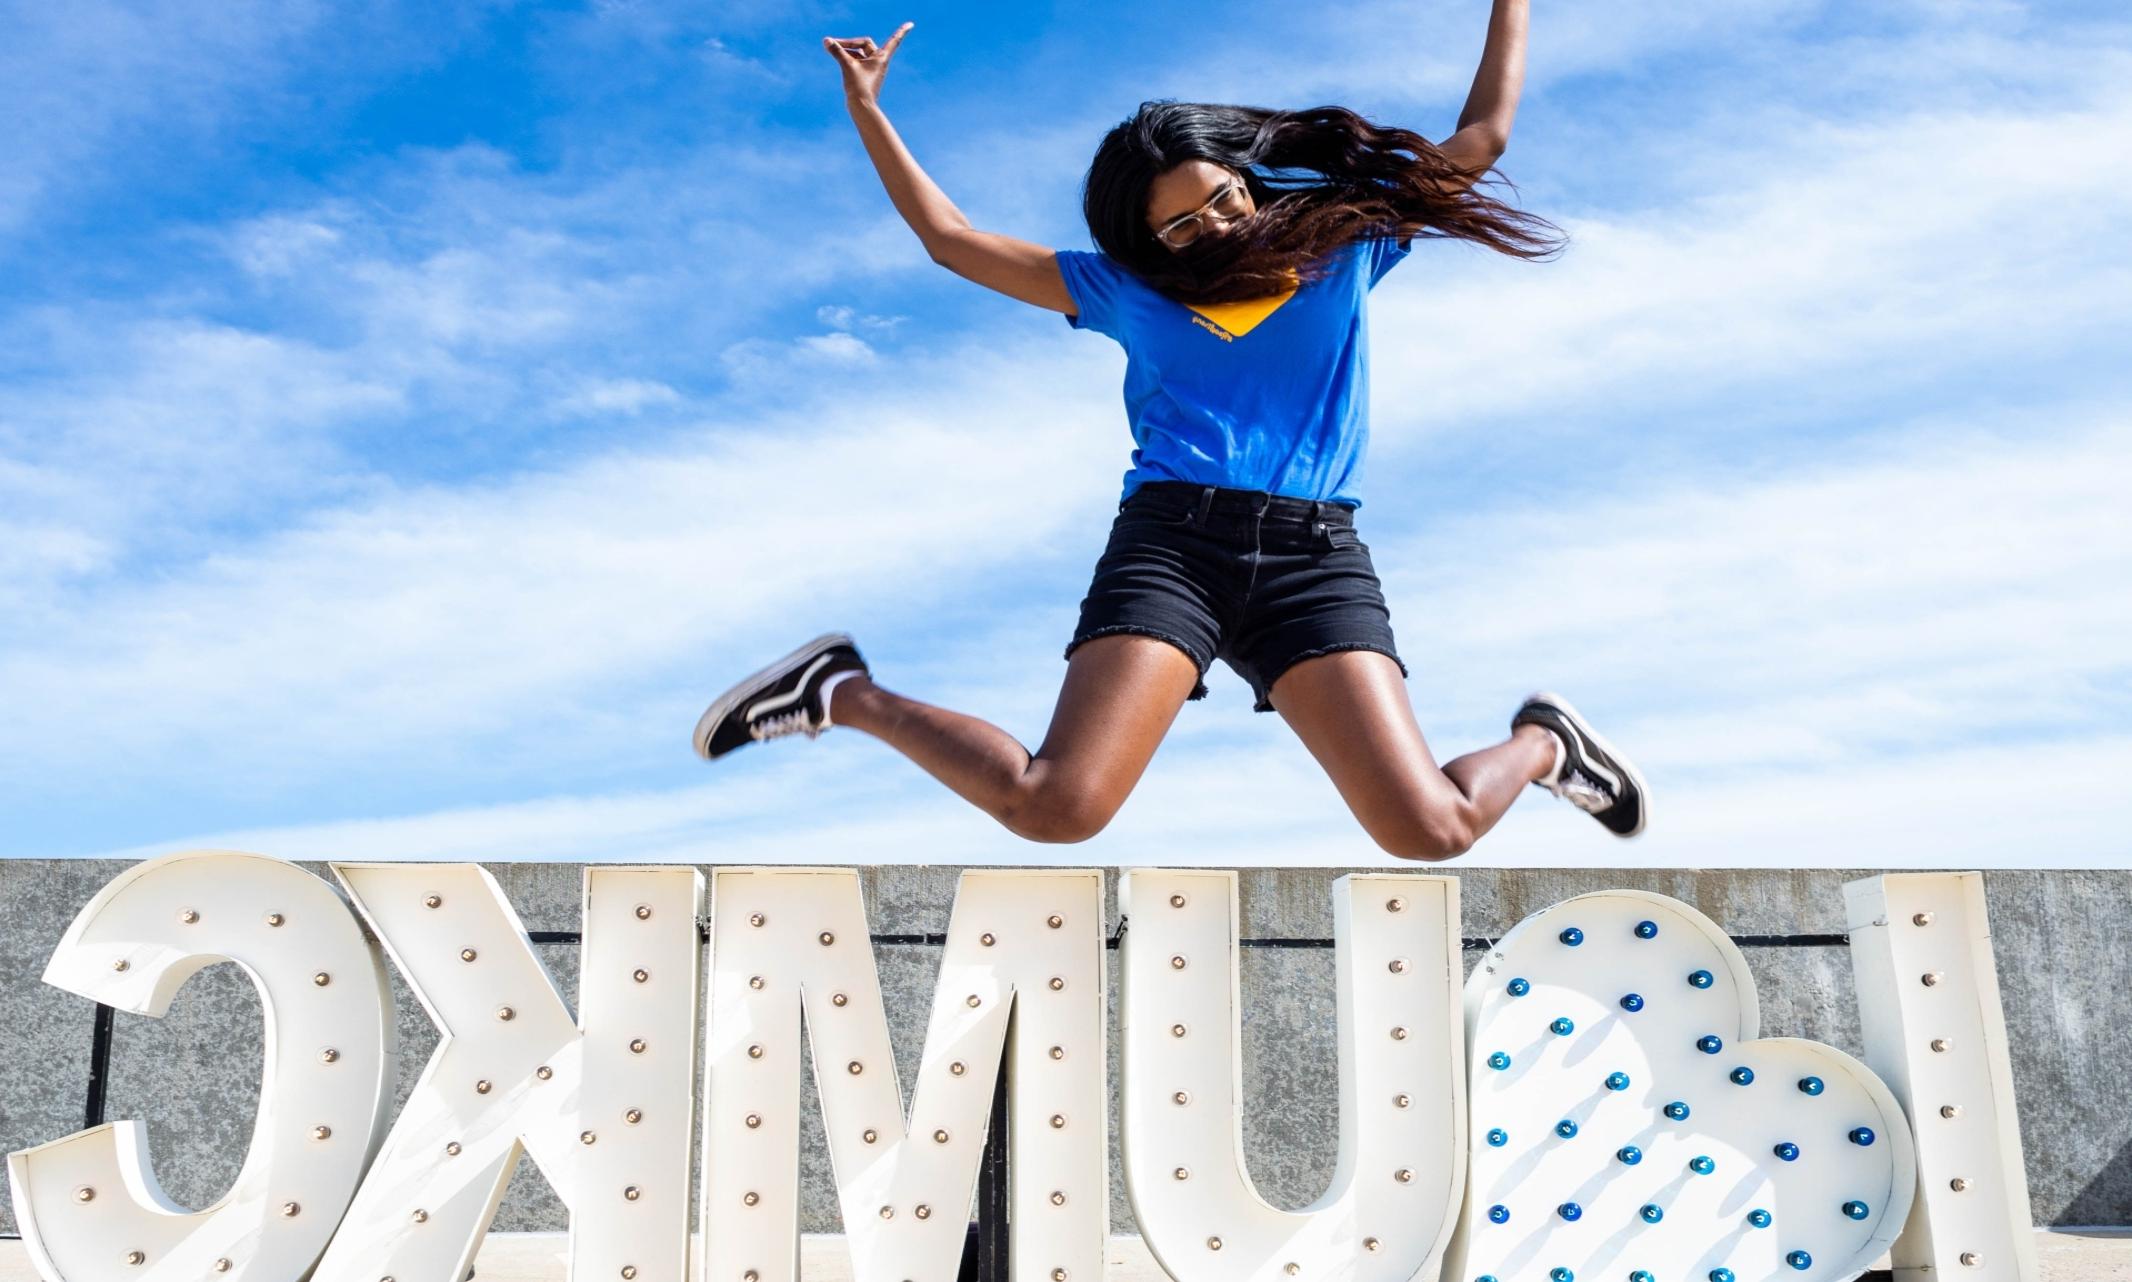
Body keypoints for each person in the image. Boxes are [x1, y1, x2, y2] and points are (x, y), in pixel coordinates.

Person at [692, 5, 1649, 857]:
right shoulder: (1121, 288)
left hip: (1317, 556)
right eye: (1185, 226)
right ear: (1149, 242)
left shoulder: (1343, 241)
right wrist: (869, 107)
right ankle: (841, 691)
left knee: (1430, 830)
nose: (1219, 226)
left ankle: (1544, 745)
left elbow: (1479, 137)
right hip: (1175, 545)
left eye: (1224, 198)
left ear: (1245, 177)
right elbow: (950, 239)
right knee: (1056, 805)